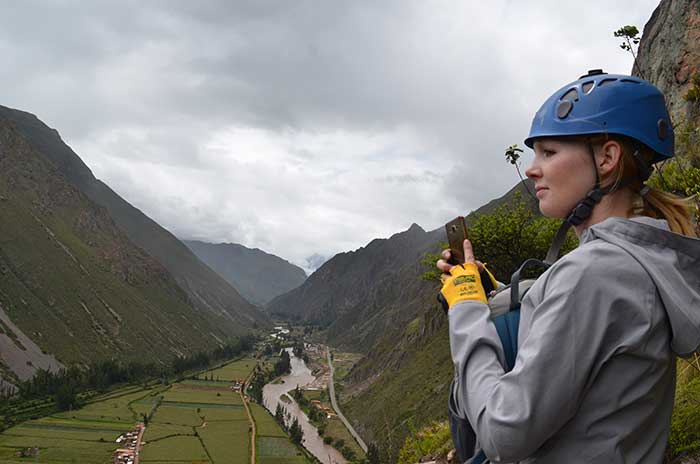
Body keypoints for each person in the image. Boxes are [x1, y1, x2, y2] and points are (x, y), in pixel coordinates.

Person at [436, 69, 700, 463]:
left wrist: (467, 310)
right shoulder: (644, 260)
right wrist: (493, 295)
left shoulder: (593, 275)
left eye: (549, 152)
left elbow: (503, 433)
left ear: (607, 158)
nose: (531, 168)